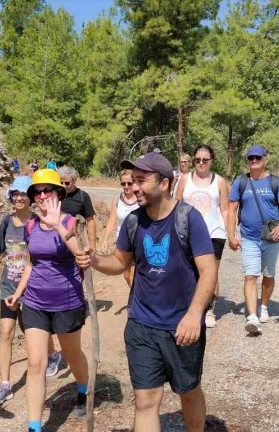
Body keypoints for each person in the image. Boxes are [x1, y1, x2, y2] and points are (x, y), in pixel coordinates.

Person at [87, 150, 218, 432]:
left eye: (141, 180)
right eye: (132, 181)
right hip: (142, 324)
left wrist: (195, 315)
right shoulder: (133, 222)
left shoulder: (188, 218)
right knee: (145, 400)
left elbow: (208, 270)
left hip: (182, 327)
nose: (134, 187)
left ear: (164, 183)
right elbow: (120, 262)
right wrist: (95, 259)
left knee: (189, 391)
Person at [0, 176, 63, 406]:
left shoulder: (38, 223)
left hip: (33, 288)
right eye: (14, 194)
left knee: (34, 334)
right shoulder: (7, 222)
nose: (18, 198)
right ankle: (6, 385)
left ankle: (52, 355)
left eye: (22, 194)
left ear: (30, 198)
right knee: (6, 332)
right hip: (8, 286)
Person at [5, 169, 90, 431]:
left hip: (67, 302)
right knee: (36, 362)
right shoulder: (30, 226)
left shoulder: (72, 223)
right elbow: (31, 263)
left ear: (59, 194)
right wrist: (18, 294)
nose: (42, 196)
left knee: (72, 354)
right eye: (37, 192)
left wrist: (56, 224)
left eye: (48, 191)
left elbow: (81, 258)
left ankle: (83, 388)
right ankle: (34, 425)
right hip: (35, 303)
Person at [226, 145, 279, 335]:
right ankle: (252, 317)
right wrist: (231, 235)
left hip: (271, 237)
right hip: (248, 238)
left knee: (268, 275)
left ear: (265, 159)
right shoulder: (240, 182)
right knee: (250, 275)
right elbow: (231, 210)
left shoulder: (275, 182)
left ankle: (264, 306)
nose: (254, 161)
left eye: (257, 158)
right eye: (251, 158)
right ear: (247, 160)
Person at [173, 145, 231, 328]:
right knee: (188, 271)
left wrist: (230, 233)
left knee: (211, 272)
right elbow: (176, 204)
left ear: (211, 161)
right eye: (197, 160)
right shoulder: (184, 180)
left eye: (204, 160)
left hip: (214, 233)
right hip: (188, 233)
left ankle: (210, 310)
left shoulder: (220, 182)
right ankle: (188, 307)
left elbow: (225, 209)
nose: (200, 163)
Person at [100, 169, 139, 286]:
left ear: (134, 182)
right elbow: (112, 220)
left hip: (138, 242)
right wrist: (105, 239)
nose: (126, 186)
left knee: (134, 274)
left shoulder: (141, 198)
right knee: (127, 275)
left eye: (129, 183)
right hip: (123, 243)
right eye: (123, 184)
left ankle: (136, 301)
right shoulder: (117, 200)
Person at [57, 165, 98, 252]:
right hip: (58, 241)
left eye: (67, 183)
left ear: (74, 180)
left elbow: (90, 221)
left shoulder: (83, 196)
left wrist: (93, 246)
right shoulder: (56, 196)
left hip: (78, 241)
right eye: (61, 183)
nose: (63, 186)